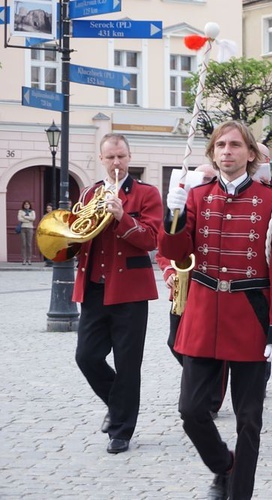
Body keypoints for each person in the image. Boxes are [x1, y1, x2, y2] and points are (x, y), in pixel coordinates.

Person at [161, 120, 272, 498]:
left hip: (252, 316)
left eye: (235, 145)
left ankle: (240, 493)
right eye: (220, 145)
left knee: (249, 420)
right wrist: (173, 216)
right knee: (191, 411)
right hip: (204, 313)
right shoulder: (198, 195)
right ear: (212, 152)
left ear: (250, 154)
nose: (226, 151)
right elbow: (176, 254)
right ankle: (224, 465)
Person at [72, 133, 162, 454]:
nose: (116, 163)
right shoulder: (87, 194)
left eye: (121, 156)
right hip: (94, 290)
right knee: (86, 356)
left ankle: (121, 429)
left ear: (129, 157)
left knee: (128, 364)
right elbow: (77, 236)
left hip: (131, 293)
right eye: (110, 157)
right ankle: (117, 403)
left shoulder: (146, 194)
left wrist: (123, 217)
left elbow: (151, 239)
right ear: (101, 159)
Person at [155, 164, 228, 419]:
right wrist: (169, 272)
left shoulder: (219, 203)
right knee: (174, 342)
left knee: (210, 348)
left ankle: (210, 398)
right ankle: (201, 384)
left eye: (210, 178)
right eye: (202, 178)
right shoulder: (184, 204)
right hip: (182, 285)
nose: (205, 182)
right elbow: (163, 249)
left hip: (209, 286)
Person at [17, 200, 36, 265]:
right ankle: (24, 259)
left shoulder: (32, 211)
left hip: (30, 228)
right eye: (25, 204)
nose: (26, 205)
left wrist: (24, 217)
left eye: (28, 204)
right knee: (23, 244)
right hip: (23, 228)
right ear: (23, 205)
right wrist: (29, 219)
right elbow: (19, 219)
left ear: (30, 205)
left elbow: (33, 218)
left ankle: (29, 259)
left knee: (29, 244)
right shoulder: (20, 211)